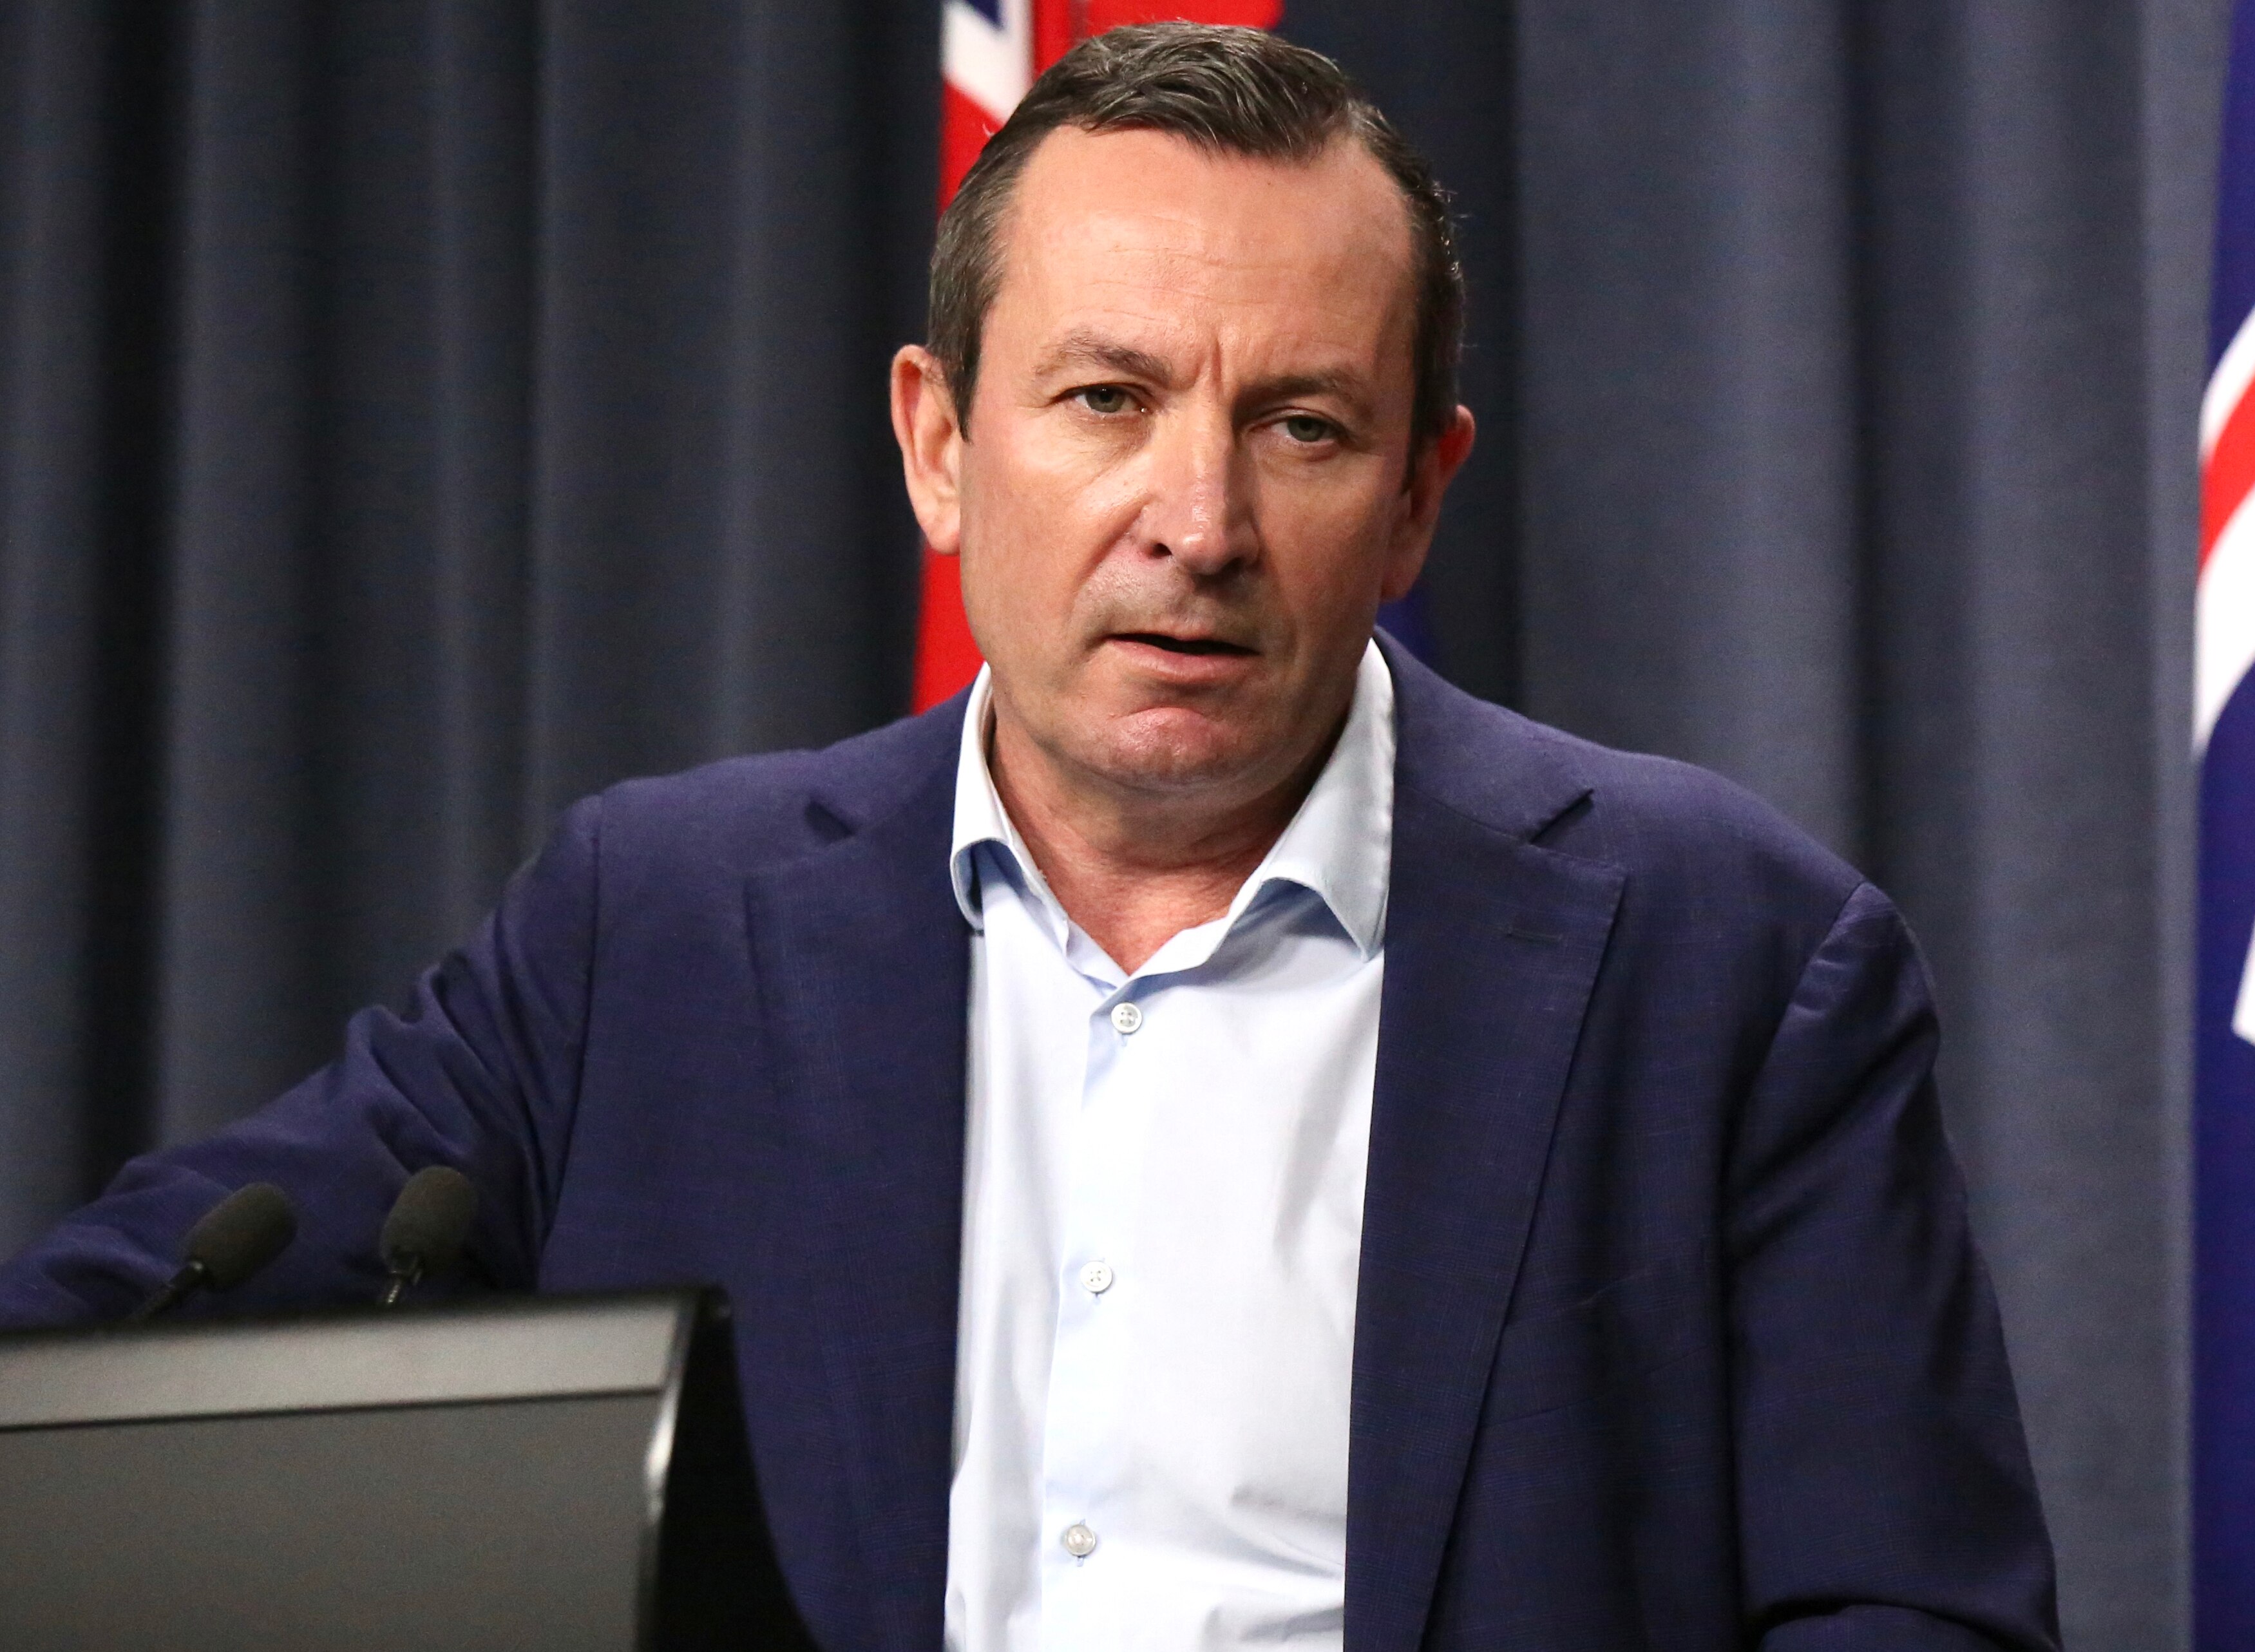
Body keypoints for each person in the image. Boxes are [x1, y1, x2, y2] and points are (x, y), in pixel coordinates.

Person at [0, 24, 2057, 1652]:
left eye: (1303, 425)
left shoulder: (1732, 958)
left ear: (1421, 497)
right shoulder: (653, 931)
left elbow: (1911, 1617)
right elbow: (122, 1370)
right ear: (935, 443)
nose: (1198, 520)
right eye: (1104, 399)